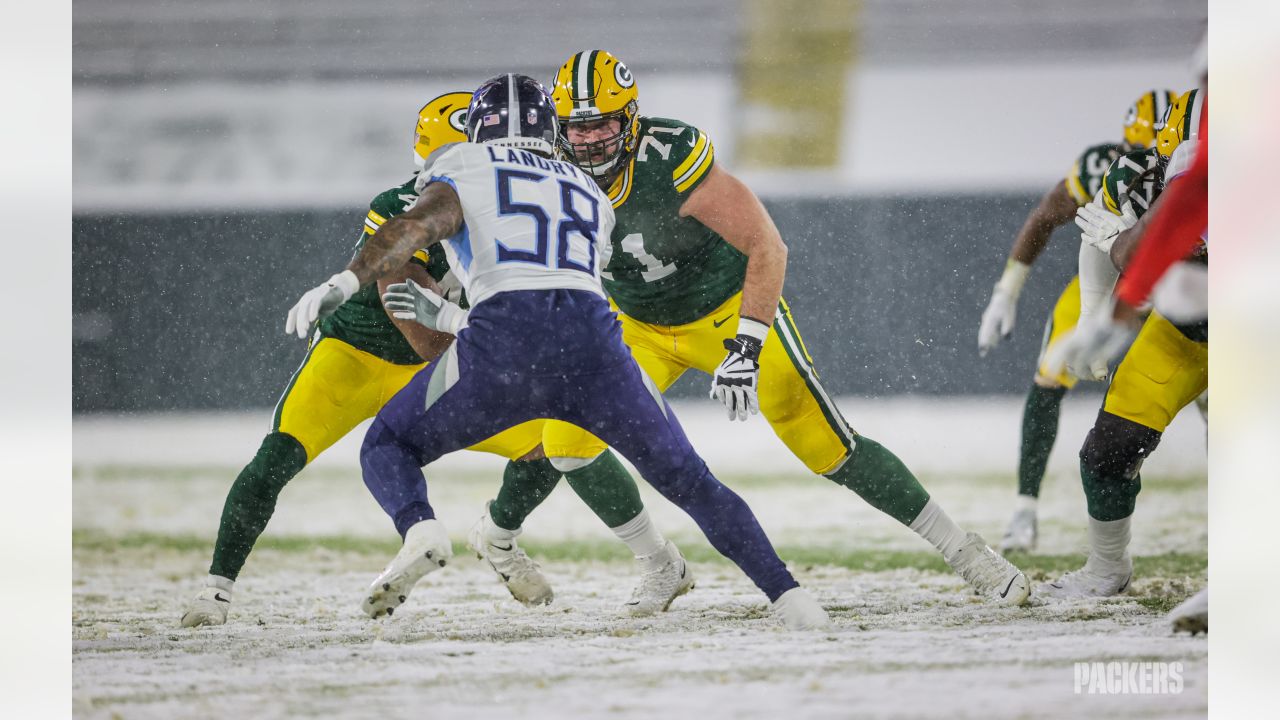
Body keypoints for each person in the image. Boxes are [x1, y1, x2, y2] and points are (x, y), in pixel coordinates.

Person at [285, 74, 830, 630]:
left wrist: (348, 281)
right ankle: (789, 596)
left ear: (477, 130)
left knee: (388, 444)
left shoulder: (463, 166)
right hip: (594, 344)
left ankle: (421, 528)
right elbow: (556, 286)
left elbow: (417, 229)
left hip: (504, 344)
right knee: (691, 480)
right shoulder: (588, 188)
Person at [532, 49, 1028, 604]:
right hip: (636, 323)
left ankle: (964, 551)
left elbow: (766, 244)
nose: (592, 139)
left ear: (631, 119)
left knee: (828, 447)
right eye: (578, 126)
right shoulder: (547, 171)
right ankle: (659, 564)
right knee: (565, 442)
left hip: (722, 311)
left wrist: (747, 342)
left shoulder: (668, 156)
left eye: (603, 123)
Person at [182, 91, 682, 628]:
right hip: (360, 355)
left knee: (555, 440)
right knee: (276, 459)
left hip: (442, 353)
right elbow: (419, 328)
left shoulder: (517, 199)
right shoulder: (415, 205)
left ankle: (500, 537)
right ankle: (217, 588)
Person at [976, 90, 1174, 552]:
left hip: (1175, 278)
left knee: (1208, 389)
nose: (1144, 169)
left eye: (1158, 159)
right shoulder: (1106, 167)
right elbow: (1050, 218)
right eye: (1134, 156)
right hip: (1109, 271)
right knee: (1051, 374)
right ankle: (1024, 510)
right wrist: (1006, 294)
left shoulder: (1199, 174)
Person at [1041, 89, 1208, 599]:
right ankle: (1107, 568)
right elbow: (1096, 235)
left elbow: (1126, 248)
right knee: (1108, 450)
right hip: (1186, 330)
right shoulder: (1144, 172)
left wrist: (1120, 243)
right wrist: (1093, 314)